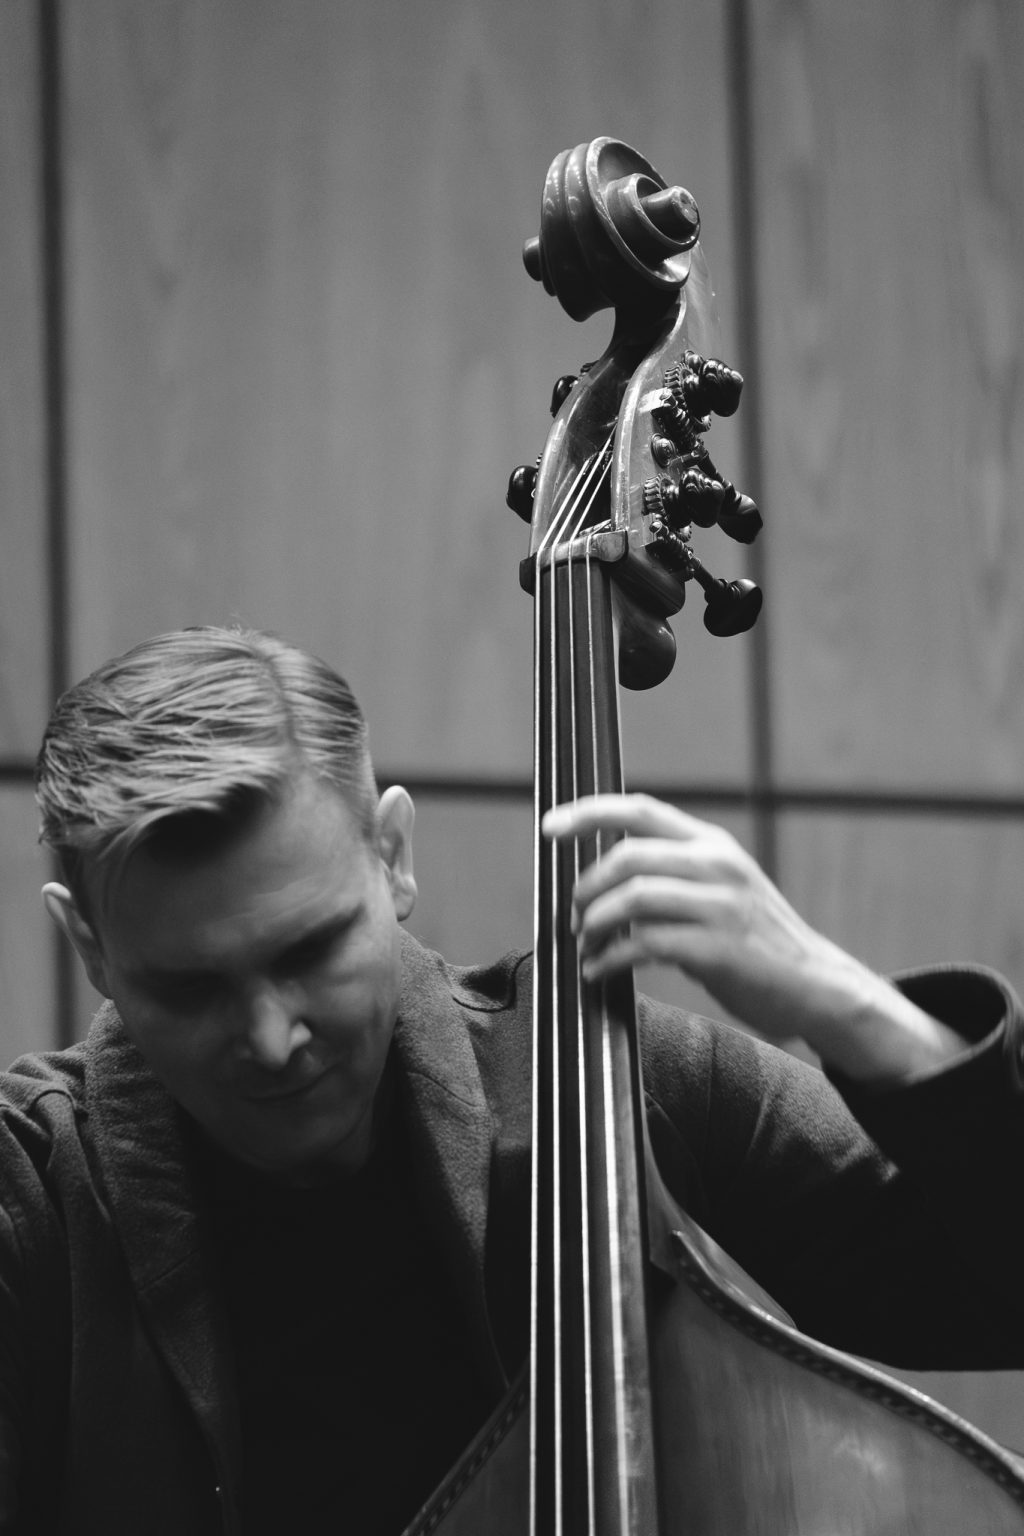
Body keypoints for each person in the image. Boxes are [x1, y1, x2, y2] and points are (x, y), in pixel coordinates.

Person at [3, 622, 1022, 1534]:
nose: (272, 1039)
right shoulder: (31, 1193)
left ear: (392, 854)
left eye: (309, 950)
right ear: (88, 945)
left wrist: (854, 1011)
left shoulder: (612, 1084)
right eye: (190, 989)